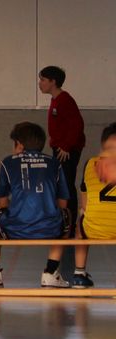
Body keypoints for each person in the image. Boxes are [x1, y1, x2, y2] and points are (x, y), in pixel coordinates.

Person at [0, 122, 69, 288]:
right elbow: (63, 203)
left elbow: (3, 203)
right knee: (67, 215)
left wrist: (16, 207)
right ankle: (51, 272)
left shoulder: (8, 162)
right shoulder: (54, 163)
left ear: (19, 144)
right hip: (49, 229)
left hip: (15, 230)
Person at [38, 65, 85, 237]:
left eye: (43, 80)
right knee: (60, 185)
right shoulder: (55, 100)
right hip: (59, 148)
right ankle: (63, 221)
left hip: (66, 151)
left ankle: (70, 226)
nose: (40, 83)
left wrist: (66, 146)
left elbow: (77, 125)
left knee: (66, 187)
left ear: (53, 82)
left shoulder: (65, 100)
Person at [71, 123, 116, 288]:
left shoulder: (91, 164)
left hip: (94, 229)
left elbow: (85, 203)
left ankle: (79, 273)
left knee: (81, 223)